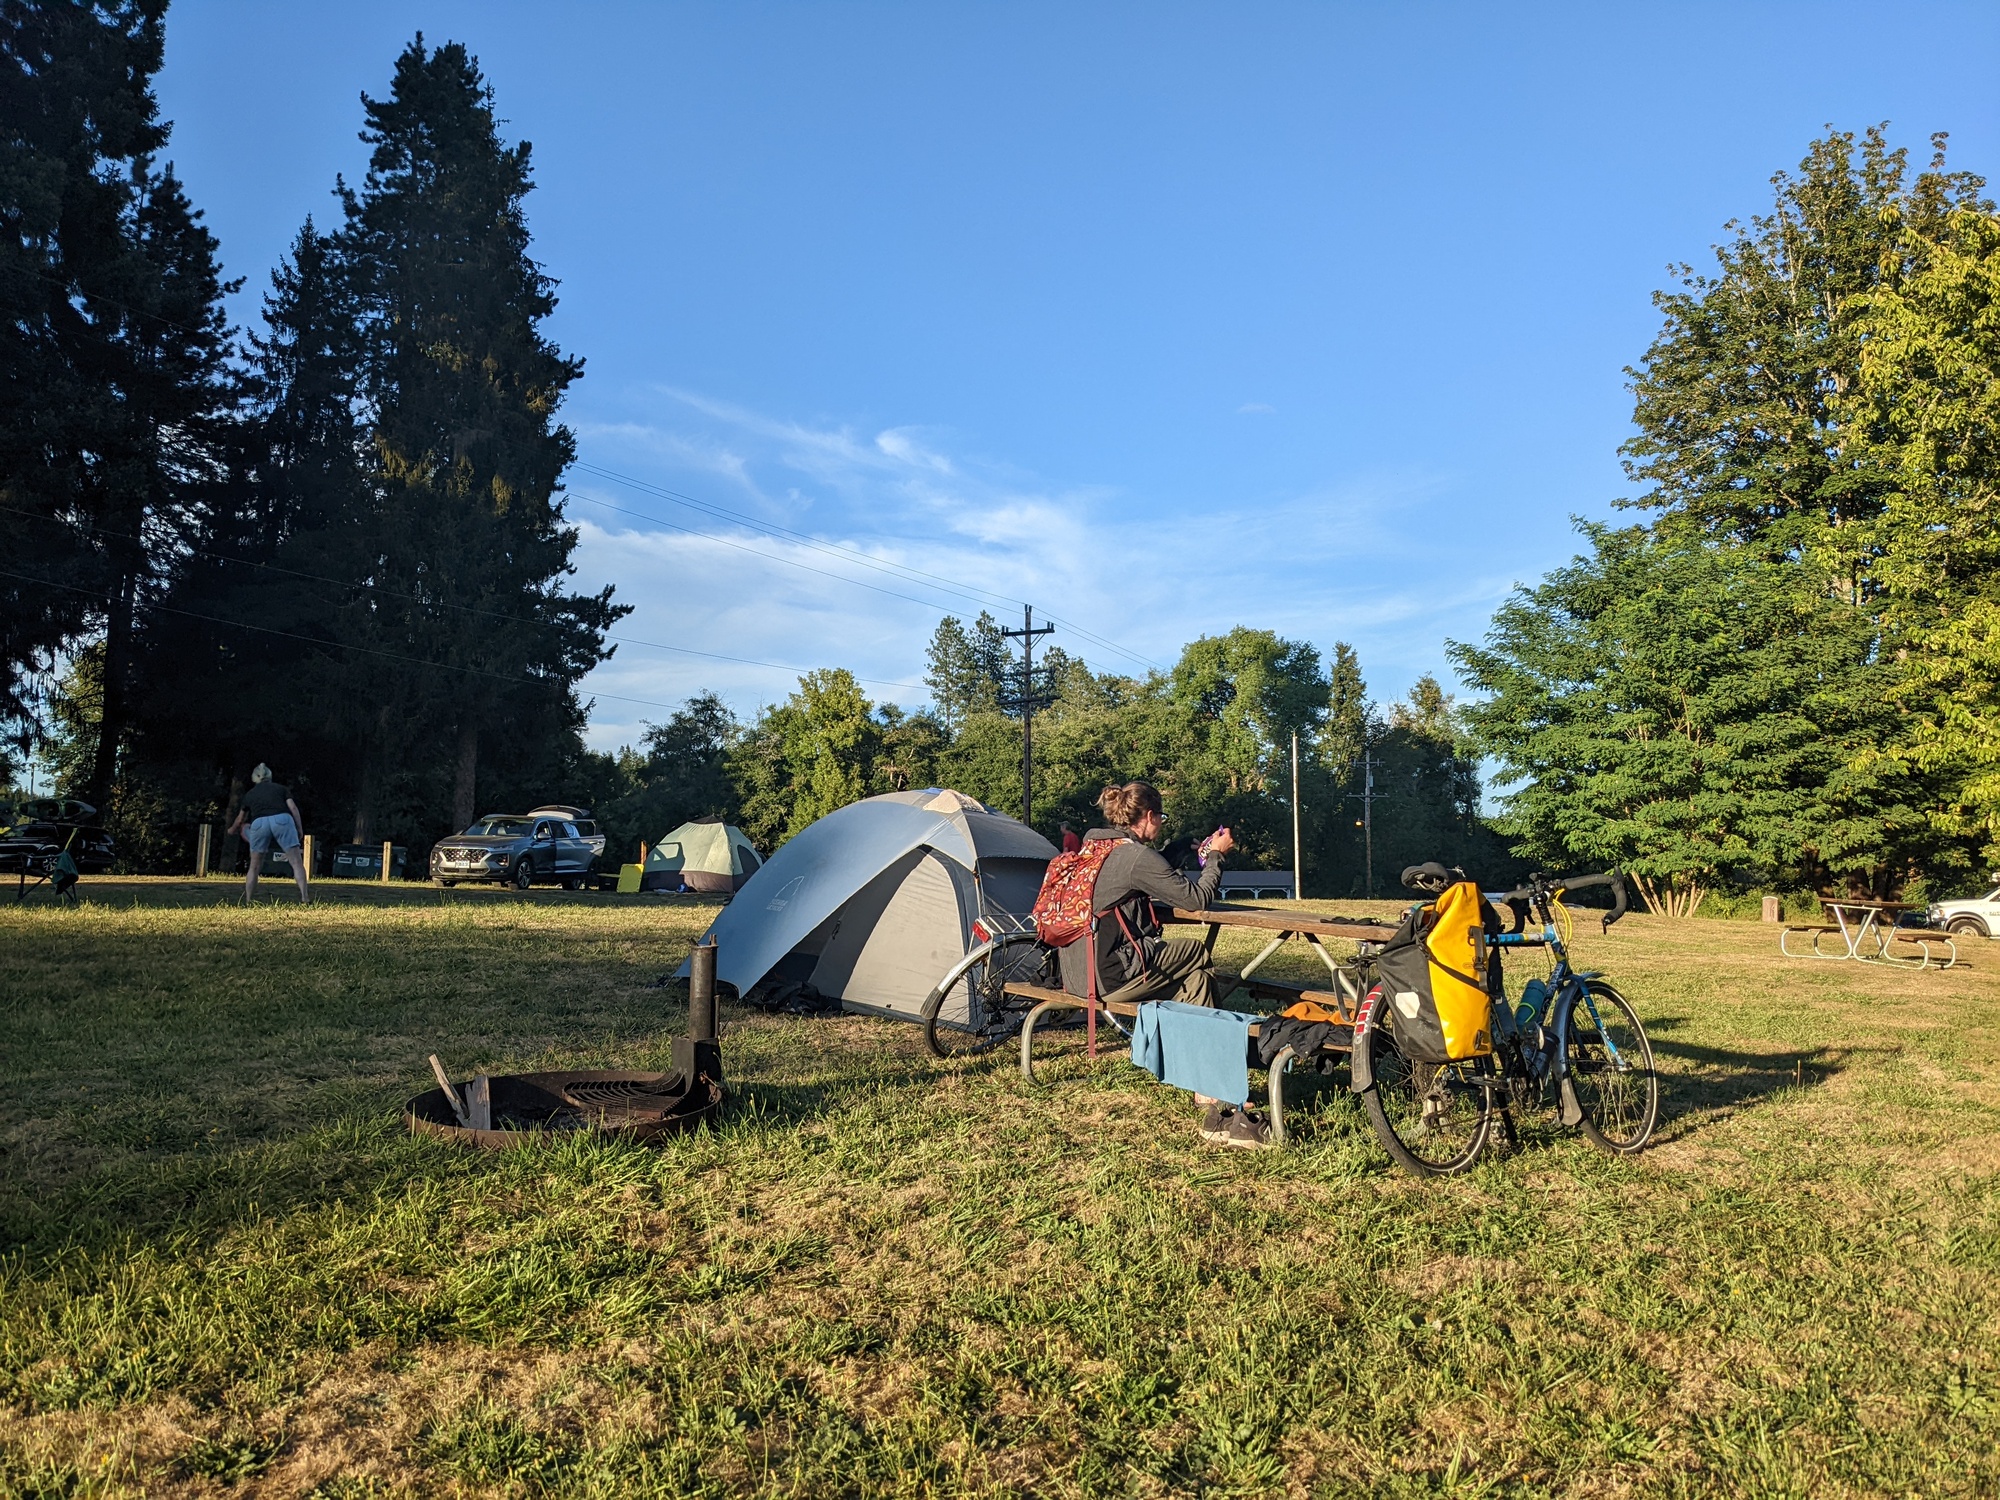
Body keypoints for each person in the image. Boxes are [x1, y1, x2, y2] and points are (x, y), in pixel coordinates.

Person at [1057, 782, 1264, 1146]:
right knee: (1196, 954)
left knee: (1196, 979)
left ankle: (1206, 1083)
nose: (1162, 824)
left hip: (1075, 973)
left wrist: (1182, 848)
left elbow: (1144, 873)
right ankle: (1208, 1073)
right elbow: (1198, 898)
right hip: (1110, 976)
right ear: (1149, 816)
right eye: (1162, 818)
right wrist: (1215, 856)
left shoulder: (1098, 847)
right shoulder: (1136, 857)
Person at [227, 763, 311, 904]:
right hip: (283, 820)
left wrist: (232, 829)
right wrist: (299, 829)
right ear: (270, 776)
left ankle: (248, 900)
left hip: (259, 823)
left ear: (254, 778)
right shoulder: (281, 789)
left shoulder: (250, 794)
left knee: (254, 865)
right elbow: (293, 808)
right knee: (296, 862)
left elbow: (240, 818)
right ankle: (305, 898)